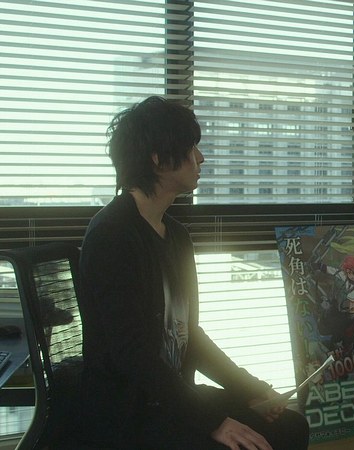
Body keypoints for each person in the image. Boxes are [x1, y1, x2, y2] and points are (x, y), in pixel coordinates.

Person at [78, 96, 309, 449]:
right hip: (129, 412)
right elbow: (132, 356)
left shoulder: (176, 236)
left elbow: (189, 337)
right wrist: (212, 422)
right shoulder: (112, 235)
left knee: (290, 427)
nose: (200, 158)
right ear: (157, 158)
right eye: (191, 148)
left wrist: (250, 389)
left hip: (169, 398)